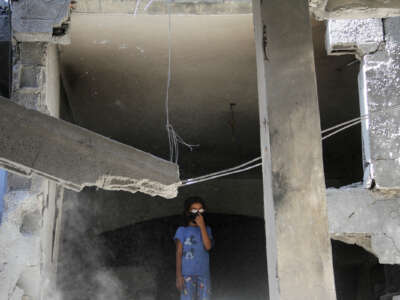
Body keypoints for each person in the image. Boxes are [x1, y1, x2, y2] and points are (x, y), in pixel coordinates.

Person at [174, 196, 213, 300]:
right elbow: (178, 253)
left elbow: (208, 246)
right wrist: (178, 276)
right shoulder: (182, 230)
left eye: (200, 210)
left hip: (203, 273)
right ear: (188, 212)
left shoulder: (207, 229)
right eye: (194, 210)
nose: (198, 213)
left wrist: (202, 226)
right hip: (186, 274)